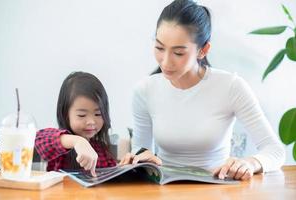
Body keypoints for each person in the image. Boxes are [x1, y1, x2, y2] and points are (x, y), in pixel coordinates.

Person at [120, 0, 285, 180]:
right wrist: (140, 157)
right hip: (166, 189)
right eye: (159, 48)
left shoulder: (231, 86)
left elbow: (275, 151)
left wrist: (250, 163)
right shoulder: (145, 90)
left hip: (218, 188)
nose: (165, 62)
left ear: (203, 50)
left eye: (178, 53)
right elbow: (140, 148)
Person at [35, 72, 116, 177]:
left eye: (98, 114)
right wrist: (78, 141)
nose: (91, 121)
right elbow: (39, 139)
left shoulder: (103, 151)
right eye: (82, 115)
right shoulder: (61, 147)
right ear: (66, 114)